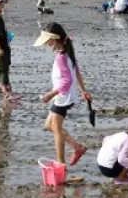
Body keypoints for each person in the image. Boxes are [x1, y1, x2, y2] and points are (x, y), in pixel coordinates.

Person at [34, 22, 91, 166]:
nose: (46, 44)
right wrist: (83, 90)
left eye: (47, 40)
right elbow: (76, 70)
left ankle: (60, 163)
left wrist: (49, 95)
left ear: (54, 39)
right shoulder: (67, 51)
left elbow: (66, 81)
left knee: (56, 128)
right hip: (66, 95)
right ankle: (78, 147)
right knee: (49, 125)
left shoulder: (61, 57)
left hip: (63, 97)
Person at [0, 0, 19, 102]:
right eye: (2, 3)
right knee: (2, 71)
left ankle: (6, 92)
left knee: (0, 70)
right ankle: (7, 94)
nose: (3, 5)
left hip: (1, 47)